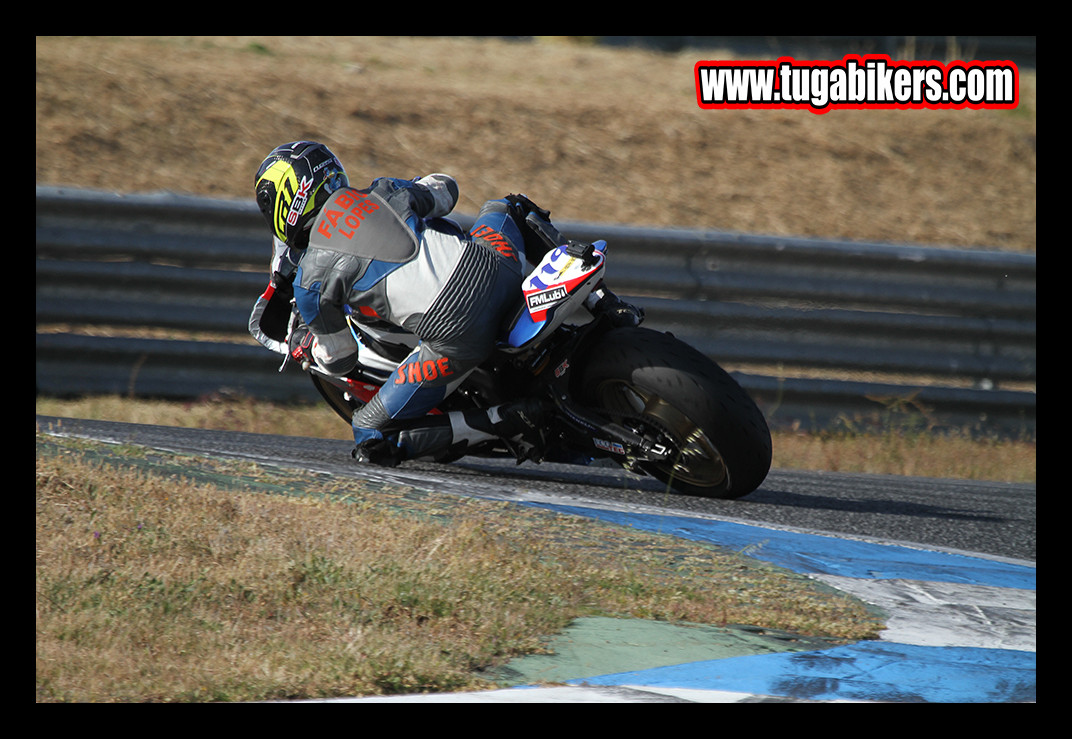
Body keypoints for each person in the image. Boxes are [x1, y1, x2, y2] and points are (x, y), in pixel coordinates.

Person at [248, 140, 642, 467]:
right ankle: (606, 303)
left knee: (370, 434)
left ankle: (507, 419)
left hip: (455, 334)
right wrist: (419, 186)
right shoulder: (385, 191)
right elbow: (447, 191)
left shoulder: (310, 282)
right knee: (506, 207)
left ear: (284, 207)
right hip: (495, 265)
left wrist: (310, 346)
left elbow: (342, 359)